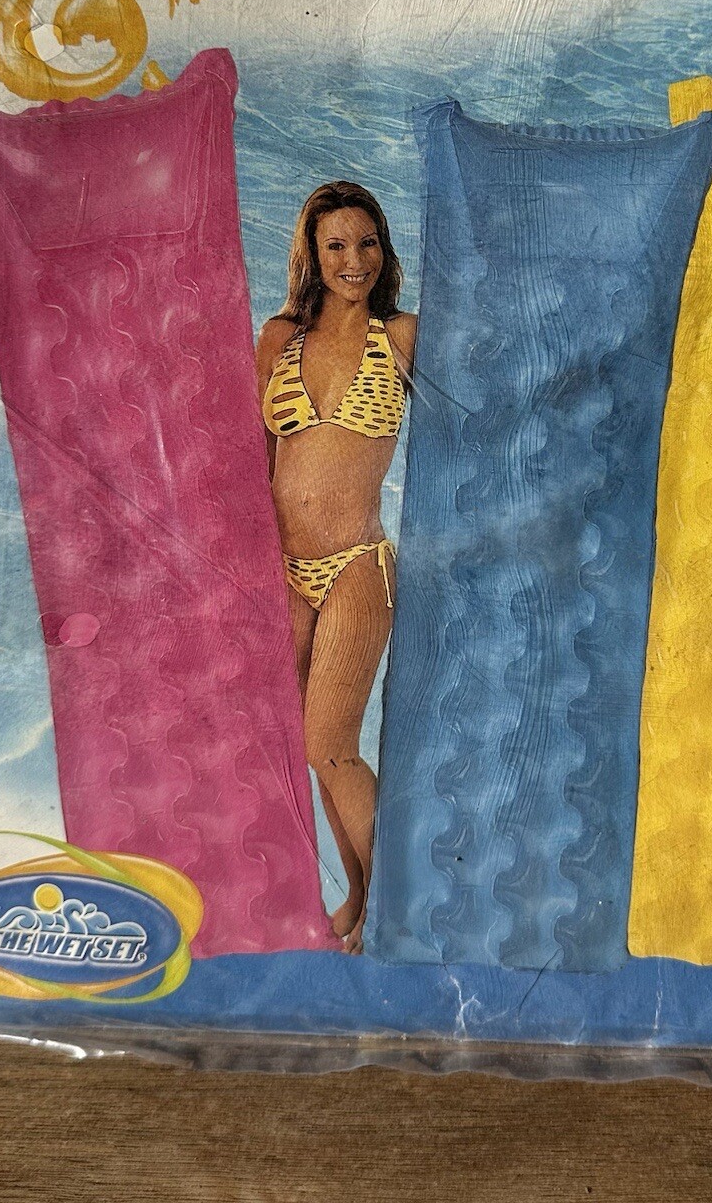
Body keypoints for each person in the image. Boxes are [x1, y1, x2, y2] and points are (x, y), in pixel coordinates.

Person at [257, 181, 416, 952]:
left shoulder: (403, 335)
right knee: (308, 748)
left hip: (359, 563)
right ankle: (358, 897)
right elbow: (252, 458)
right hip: (284, 569)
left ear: (384, 249)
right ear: (312, 255)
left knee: (331, 743)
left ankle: (394, 909)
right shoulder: (278, 338)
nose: (354, 259)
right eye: (337, 245)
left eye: (367, 242)